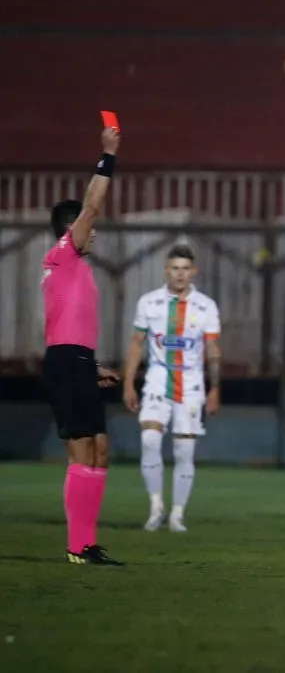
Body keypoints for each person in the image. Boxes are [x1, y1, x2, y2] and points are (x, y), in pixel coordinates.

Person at [41, 125, 124, 565]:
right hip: (65, 364)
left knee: (100, 450)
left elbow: (63, 326)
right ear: (72, 228)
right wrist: (107, 156)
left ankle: (87, 544)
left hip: (76, 360)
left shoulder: (72, 267)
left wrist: (91, 367)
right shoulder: (66, 252)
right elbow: (93, 204)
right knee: (82, 450)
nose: (94, 231)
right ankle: (78, 546)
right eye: (87, 227)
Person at [122, 244, 222, 532]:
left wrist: (214, 388)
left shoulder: (206, 306)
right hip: (157, 377)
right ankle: (156, 507)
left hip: (190, 383)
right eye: (175, 268)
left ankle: (177, 514)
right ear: (167, 270)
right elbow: (136, 343)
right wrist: (128, 382)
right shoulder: (149, 303)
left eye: (185, 269)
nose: (180, 274)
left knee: (184, 451)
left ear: (194, 272)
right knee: (150, 441)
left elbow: (214, 349)